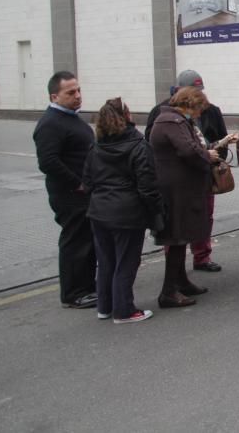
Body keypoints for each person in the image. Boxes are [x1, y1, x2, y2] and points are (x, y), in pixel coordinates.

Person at [83, 98, 164, 324]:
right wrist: (156, 212)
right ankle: (124, 310)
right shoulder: (138, 146)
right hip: (127, 213)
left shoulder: (96, 146)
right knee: (126, 262)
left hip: (99, 212)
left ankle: (105, 306)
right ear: (127, 117)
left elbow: (87, 182)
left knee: (106, 260)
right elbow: (147, 186)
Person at [145, 70, 230, 273]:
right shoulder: (164, 114)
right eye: (194, 90)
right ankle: (175, 269)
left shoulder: (211, 110)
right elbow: (159, 147)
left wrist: (218, 153)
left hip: (202, 174)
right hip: (178, 180)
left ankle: (201, 256)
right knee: (177, 225)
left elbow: (217, 136)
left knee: (203, 216)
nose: (199, 108)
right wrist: (205, 154)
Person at [33, 71, 98, 310]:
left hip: (84, 193)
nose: (78, 96)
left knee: (88, 240)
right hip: (70, 196)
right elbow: (48, 161)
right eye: (70, 93)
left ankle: (88, 287)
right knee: (75, 241)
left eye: (78, 90)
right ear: (54, 96)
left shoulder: (71, 118)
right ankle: (74, 293)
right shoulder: (51, 123)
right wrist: (77, 183)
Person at [150, 87, 220, 307]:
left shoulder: (172, 120)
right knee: (177, 239)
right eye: (198, 109)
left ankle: (181, 281)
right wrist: (207, 155)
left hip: (179, 189)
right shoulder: (173, 122)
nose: (199, 114)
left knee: (181, 238)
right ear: (189, 104)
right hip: (176, 191)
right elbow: (189, 150)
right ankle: (168, 292)